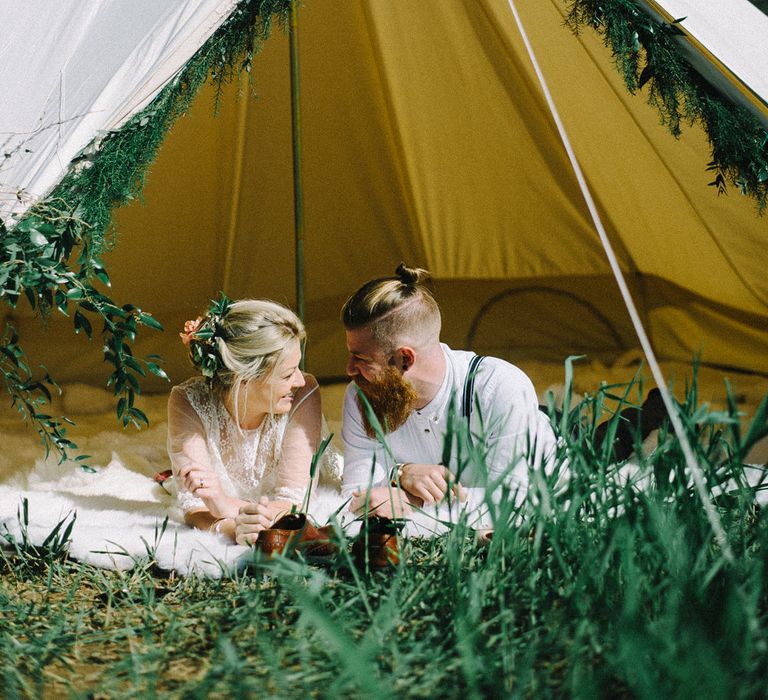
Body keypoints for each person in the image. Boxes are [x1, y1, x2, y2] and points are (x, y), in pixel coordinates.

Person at [340, 264, 557, 522]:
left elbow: (512, 505)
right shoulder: (360, 395)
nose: (349, 369)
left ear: (405, 359)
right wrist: (400, 474)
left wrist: (410, 503)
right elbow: (355, 497)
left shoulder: (499, 387)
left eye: (361, 358)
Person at [167, 294, 338, 545]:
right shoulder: (188, 401)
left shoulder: (304, 392)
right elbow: (195, 507)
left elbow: (295, 503)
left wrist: (224, 506)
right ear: (243, 379)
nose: (300, 381)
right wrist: (230, 528)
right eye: (288, 374)